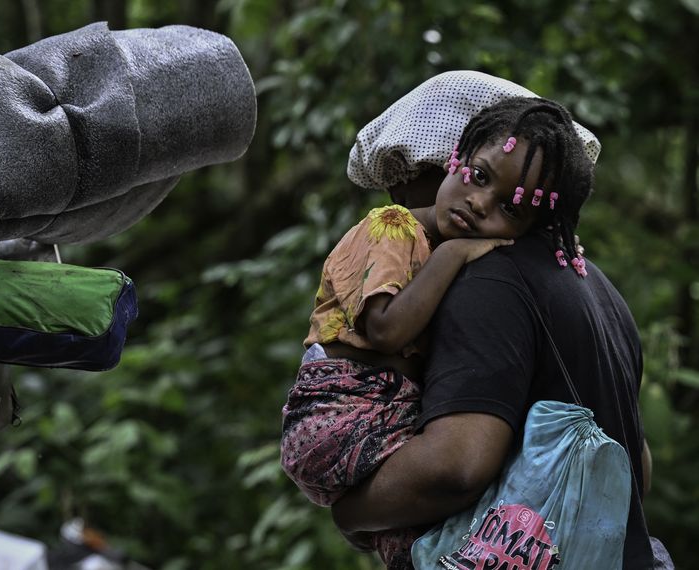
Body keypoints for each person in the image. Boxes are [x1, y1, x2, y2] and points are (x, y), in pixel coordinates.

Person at [329, 83, 675, 568]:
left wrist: (352, 513)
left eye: (407, 180)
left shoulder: (487, 277)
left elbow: (456, 465)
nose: (401, 201)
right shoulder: (601, 291)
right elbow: (637, 467)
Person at [280, 91, 599, 569]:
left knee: (426, 546)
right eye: (480, 176)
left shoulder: (465, 265)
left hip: (388, 425)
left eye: (508, 209)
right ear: (454, 159)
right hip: (340, 416)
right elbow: (385, 330)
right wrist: (452, 256)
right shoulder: (393, 227)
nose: (479, 203)